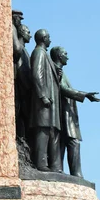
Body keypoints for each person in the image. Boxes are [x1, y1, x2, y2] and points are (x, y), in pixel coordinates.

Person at [50, 46, 100, 177]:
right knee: (73, 142)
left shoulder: (60, 70)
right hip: (64, 113)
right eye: (65, 54)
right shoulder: (57, 69)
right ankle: (76, 173)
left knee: (63, 143)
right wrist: (84, 95)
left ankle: (61, 170)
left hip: (66, 113)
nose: (68, 56)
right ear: (59, 56)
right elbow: (62, 88)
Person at [29, 29, 62, 172]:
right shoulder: (39, 53)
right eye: (49, 37)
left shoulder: (45, 55)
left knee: (51, 131)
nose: (50, 40)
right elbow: (37, 74)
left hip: (50, 101)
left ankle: (55, 166)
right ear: (43, 38)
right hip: (44, 101)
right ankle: (41, 163)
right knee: (42, 131)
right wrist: (42, 95)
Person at [15, 24, 32, 139]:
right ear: (21, 33)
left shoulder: (24, 50)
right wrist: (28, 88)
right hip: (21, 89)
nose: (30, 35)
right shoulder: (20, 49)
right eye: (28, 32)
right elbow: (21, 71)